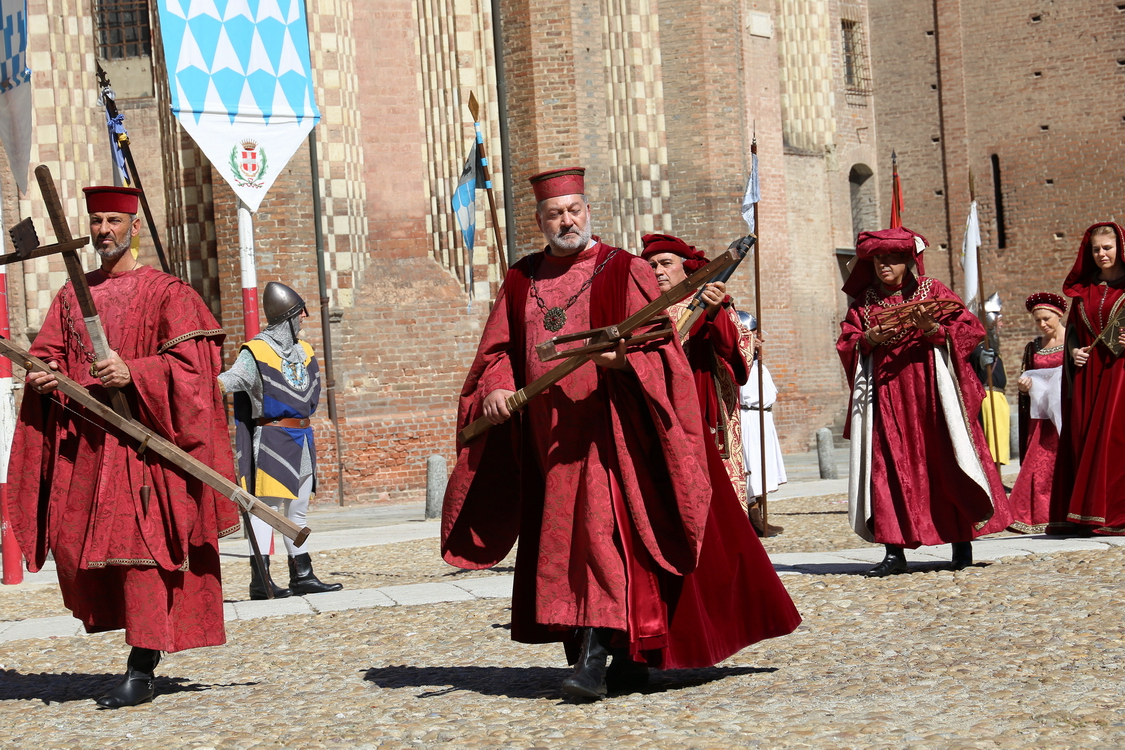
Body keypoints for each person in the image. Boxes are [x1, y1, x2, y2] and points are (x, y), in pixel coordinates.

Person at [442, 167, 800, 701]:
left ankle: (592, 660)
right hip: (548, 442)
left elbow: (660, 346)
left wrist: (622, 360)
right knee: (566, 545)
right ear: (539, 221)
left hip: (611, 438)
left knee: (602, 541)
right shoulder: (520, 279)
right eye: (554, 214)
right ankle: (628, 658)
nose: (566, 221)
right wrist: (495, 388)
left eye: (574, 211)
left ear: (587, 212)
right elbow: (497, 351)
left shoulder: (623, 269)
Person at [7, 185, 240, 708]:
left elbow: (196, 375)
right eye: (96, 221)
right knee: (74, 547)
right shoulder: (72, 294)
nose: (103, 231)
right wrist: (45, 378)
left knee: (141, 556)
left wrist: (133, 370)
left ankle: (142, 664)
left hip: (144, 452)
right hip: (88, 452)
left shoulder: (168, 293)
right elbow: (47, 356)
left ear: (134, 227)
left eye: (114, 220)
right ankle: (136, 647)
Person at [837, 226, 1010, 576]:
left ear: (907, 261)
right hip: (887, 398)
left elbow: (970, 330)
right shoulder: (865, 303)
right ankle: (894, 550)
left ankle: (962, 544)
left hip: (933, 394)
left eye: (891, 259)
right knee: (887, 469)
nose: (883, 265)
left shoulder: (933, 292)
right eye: (877, 260)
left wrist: (935, 331)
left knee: (946, 461)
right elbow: (847, 341)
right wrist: (868, 337)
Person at [218, 282, 342, 599]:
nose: (301, 321)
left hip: (302, 436)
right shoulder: (256, 352)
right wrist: (202, 380)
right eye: (299, 315)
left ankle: (303, 574)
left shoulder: (305, 351)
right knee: (267, 511)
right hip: (271, 438)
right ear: (288, 317)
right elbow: (229, 380)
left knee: (297, 512)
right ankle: (261, 580)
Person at [1056, 221, 1125, 535]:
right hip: (1089, 374)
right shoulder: (1083, 291)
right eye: (1096, 249)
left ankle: (1115, 513)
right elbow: (1071, 333)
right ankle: (1088, 513)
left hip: (1121, 374)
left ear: (1120, 248)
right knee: (1086, 437)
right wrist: (1073, 353)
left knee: (1115, 438)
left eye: (1107, 247)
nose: (1101, 254)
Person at [1008, 292, 1067, 533]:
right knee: (1038, 463)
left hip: (1066, 413)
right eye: (1038, 320)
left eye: (1046, 319)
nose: (1043, 324)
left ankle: (1065, 514)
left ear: (1059, 315)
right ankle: (1033, 515)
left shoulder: (1073, 340)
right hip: (1041, 416)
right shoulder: (1033, 346)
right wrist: (1023, 387)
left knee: (1063, 463)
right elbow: (1026, 375)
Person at [736, 312, 788, 512]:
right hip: (749, 417)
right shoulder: (740, 360)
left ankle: (760, 510)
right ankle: (753, 512)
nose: (759, 339)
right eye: (752, 335)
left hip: (763, 417)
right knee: (753, 466)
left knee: (763, 466)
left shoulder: (758, 362)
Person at [968, 296, 1009, 466]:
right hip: (988, 396)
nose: (1001, 324)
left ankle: (997, 477)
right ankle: (994, 478)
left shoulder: (992, 345)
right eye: (998, 320)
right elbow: (973, 359)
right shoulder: (980, 346)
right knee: (991, 440)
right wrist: (979, 358)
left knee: (999, 438)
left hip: (998, 397)